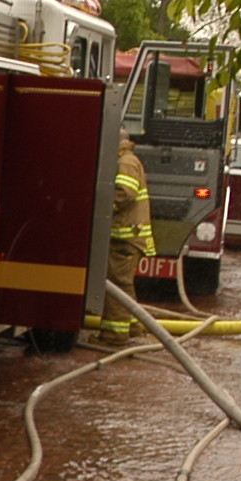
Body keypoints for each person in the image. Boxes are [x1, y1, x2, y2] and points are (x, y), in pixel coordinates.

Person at [103, 130, 155, 332]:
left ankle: (115, 334)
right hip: (129, 236)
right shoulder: (128, 160)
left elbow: (125, 194)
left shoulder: (125, 162)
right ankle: (132, 327)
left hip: (127, 236)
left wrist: (100, 210)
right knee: (123, 284)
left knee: (118, 285)